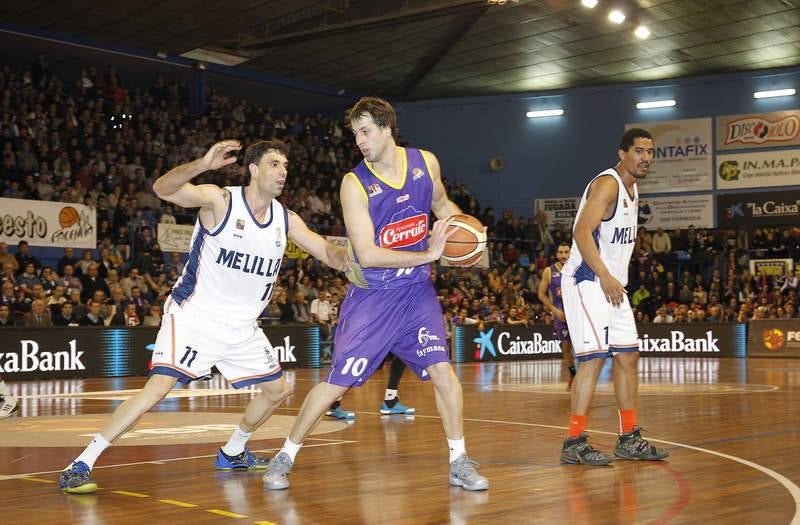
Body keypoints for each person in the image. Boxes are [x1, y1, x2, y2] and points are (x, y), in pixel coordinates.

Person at [58, 139, 349, 494]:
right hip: (195, 315)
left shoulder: (286, 220)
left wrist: (357, 257)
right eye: (275, 164)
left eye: (285, 166)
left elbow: (328, 251)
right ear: (254, 169)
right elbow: (162, 189)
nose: (283, 171)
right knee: (157, 390)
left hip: (242, 327)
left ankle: (233, 451)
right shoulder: (220, 200)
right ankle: (81, 462)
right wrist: (201, 164)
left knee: (277, 390)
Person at [264, 97, 488, 491]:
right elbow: (366, 254)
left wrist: (464, 231)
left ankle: (459, 459)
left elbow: (442, 206)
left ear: (387, 128)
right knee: (338, 383)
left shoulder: (425, 163)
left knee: (443, 372)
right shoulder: (354, 184)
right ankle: (285, 454)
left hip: (415, 291)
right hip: (374, 296)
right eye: (355, 134)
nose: (360, 141)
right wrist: (430, 253)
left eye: (365, 131)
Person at [559, 128, 668, 465]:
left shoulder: (634, 190)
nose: (645, 158)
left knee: (628, 357)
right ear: (622, 154)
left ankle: (628, 438)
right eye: (638, 151)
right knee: (592, 359)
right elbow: (580, 232)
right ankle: (574, 442)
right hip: (588, 280)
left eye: (650, 152)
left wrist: (613, 277)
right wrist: (605, 274)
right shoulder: (608, 184)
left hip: (613, 284)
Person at [537, 242, 576, 390]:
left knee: (581, 347)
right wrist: (554, 309)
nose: (564, 255)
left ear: (570, 253)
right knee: (565, 346)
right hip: (560, 314)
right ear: (556, 254)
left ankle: (585, 376)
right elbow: (541, 294)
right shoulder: (549, 271)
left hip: (577, 314)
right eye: (561, 252)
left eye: (567, 252)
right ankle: (573, 375)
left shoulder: (577, 269)